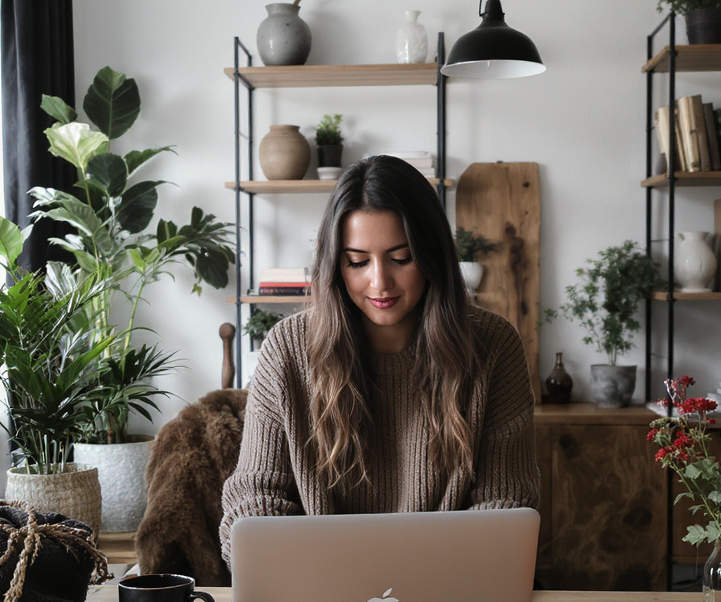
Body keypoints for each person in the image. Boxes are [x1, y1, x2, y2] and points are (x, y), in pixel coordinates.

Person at [219, 155, 539, 567]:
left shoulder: (494, 346)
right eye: (357, 262)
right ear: (335, 264)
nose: (379, 282)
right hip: (318, 592)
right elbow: (253, 498)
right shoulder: (287, 348)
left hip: (447, 594)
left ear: (431, 255)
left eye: (401, 258)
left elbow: (507, 504)